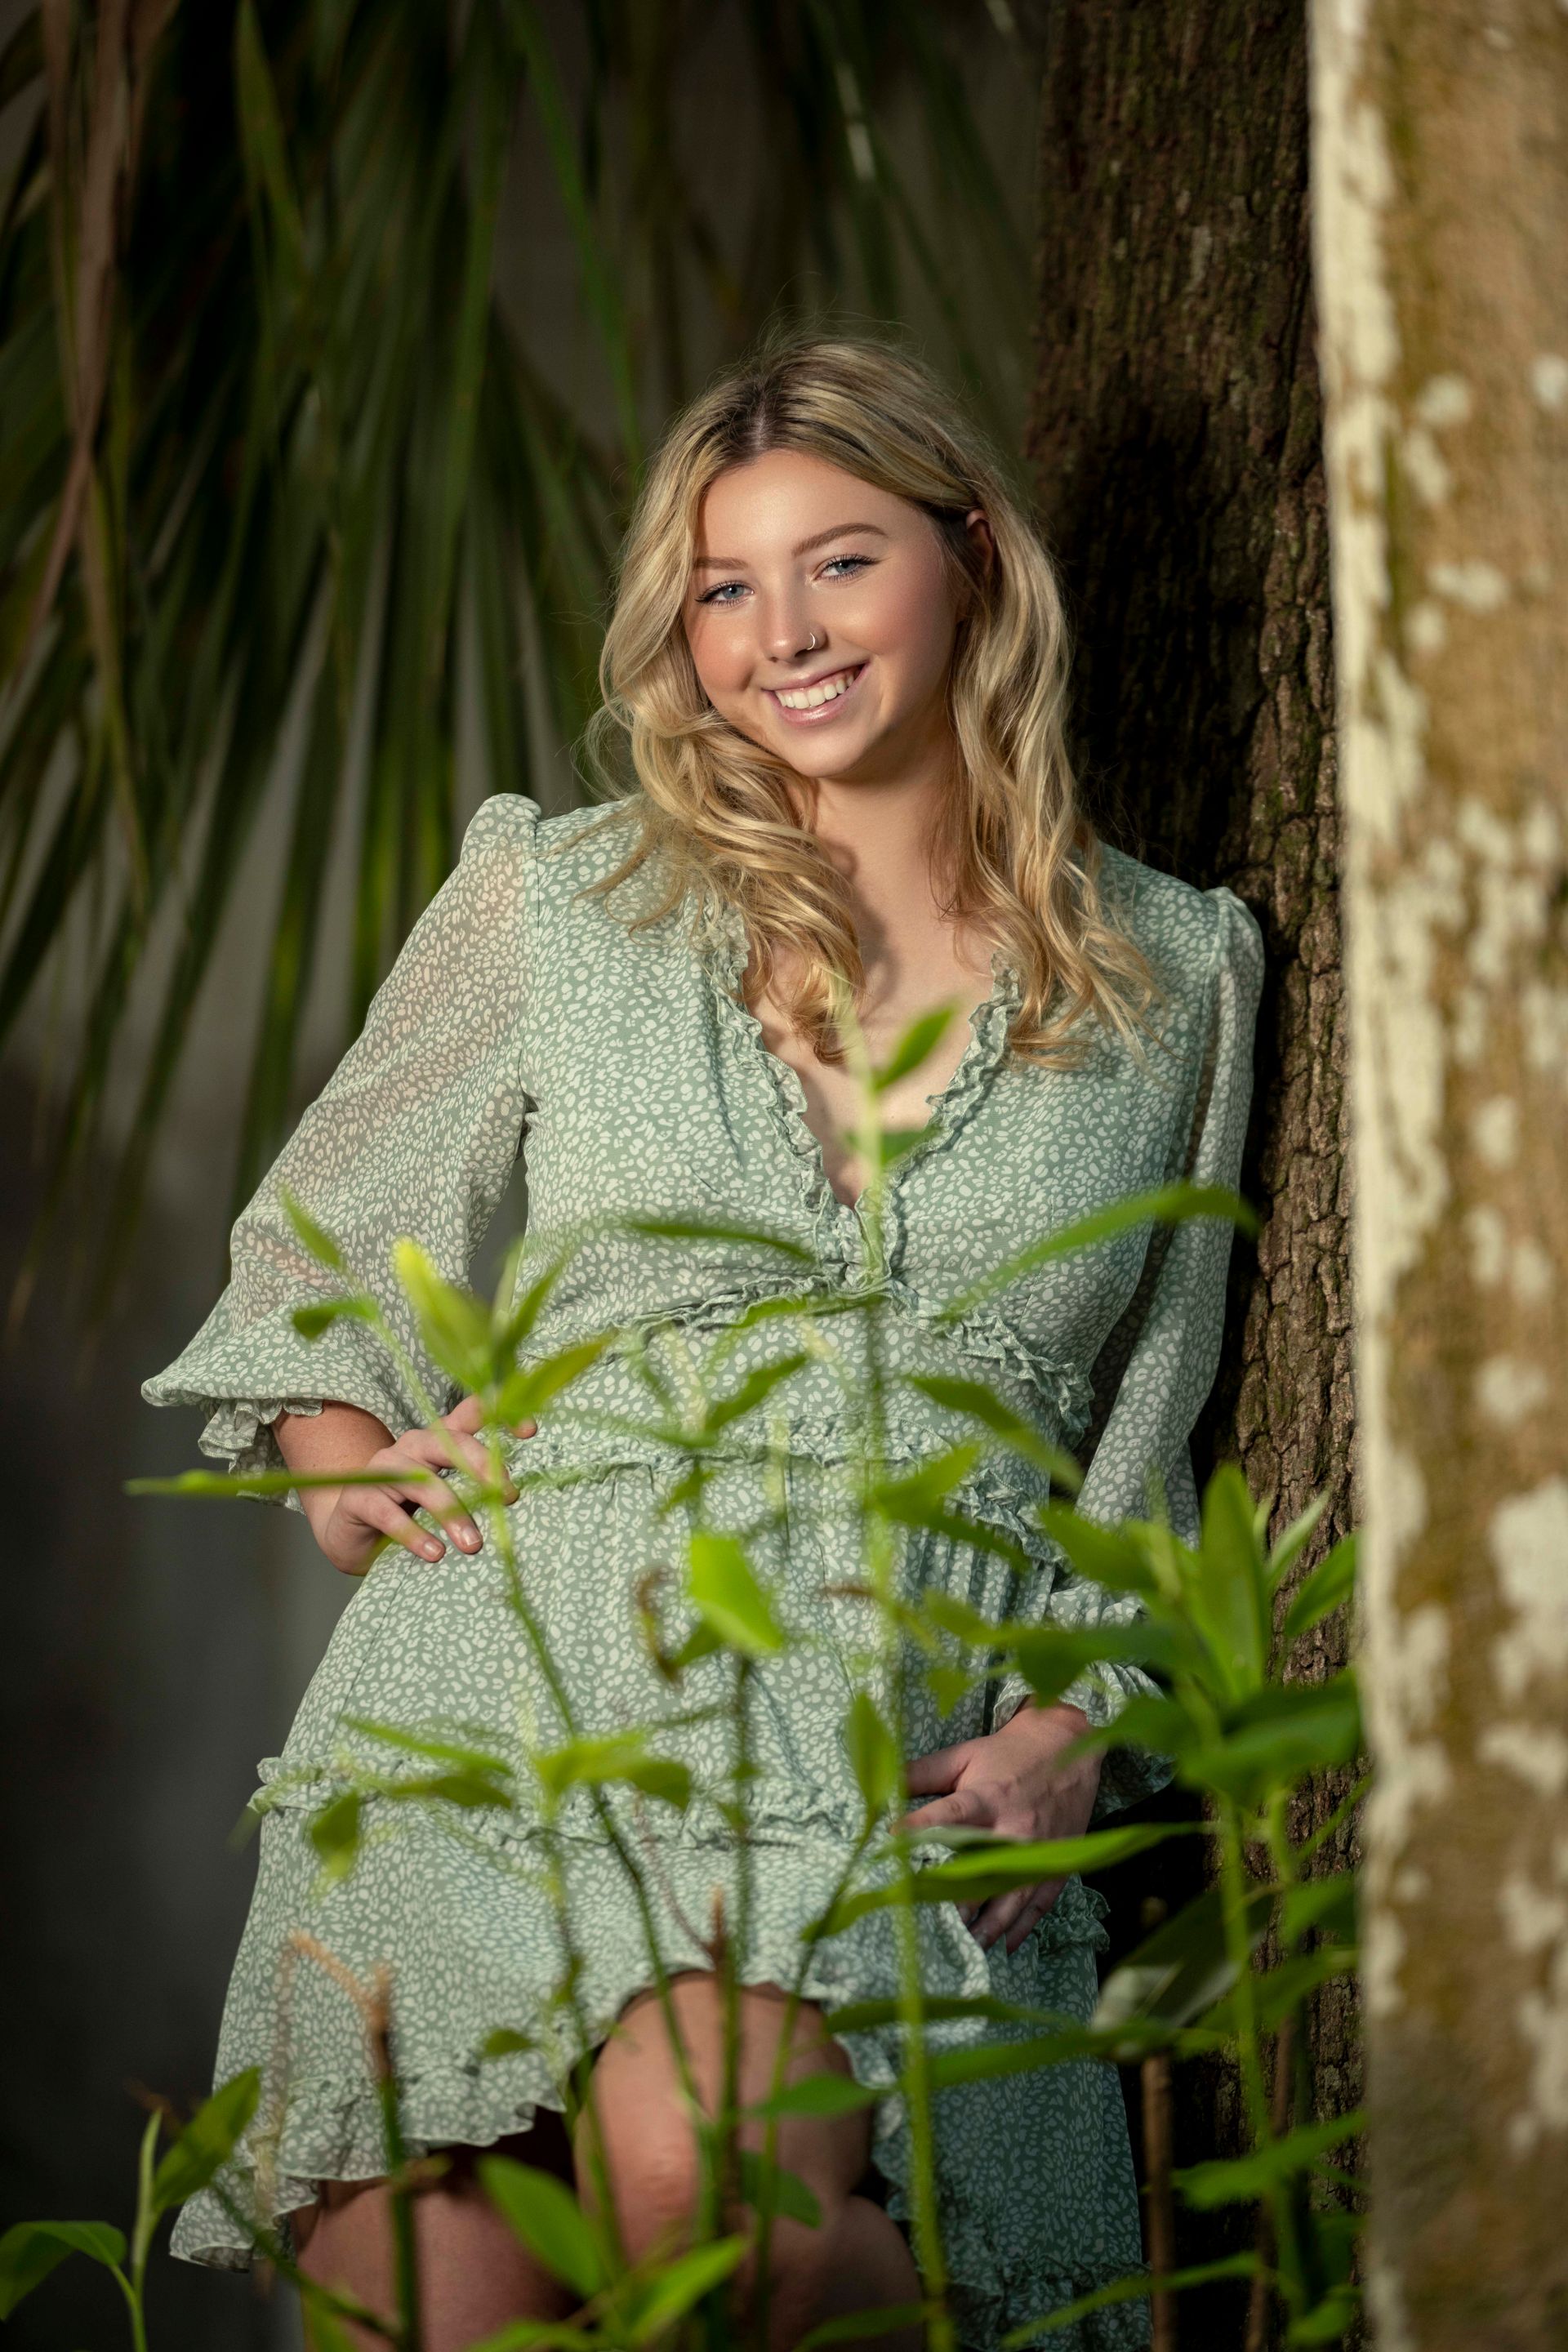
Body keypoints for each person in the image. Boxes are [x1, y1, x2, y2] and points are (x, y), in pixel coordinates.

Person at [144, 331, 1263, 2352]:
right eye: (725, 589)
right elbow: (331, 1229)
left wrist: (1074, 1734)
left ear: (975, 559)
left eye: (839, 562)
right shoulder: (566, 896)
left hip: (864, 1733)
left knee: (715, 2214)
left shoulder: (1179, 967)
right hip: (501, 1701)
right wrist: (346, 1454)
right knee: (425, 2315)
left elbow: (1157, 1430)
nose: (783, 636)